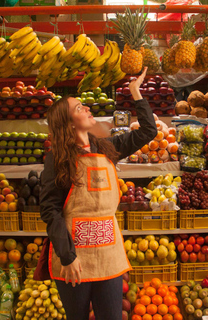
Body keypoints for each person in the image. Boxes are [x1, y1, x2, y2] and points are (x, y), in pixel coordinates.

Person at [40, 68, 157, 320]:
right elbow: (49, 210)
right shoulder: (57, 160)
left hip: (108, 254)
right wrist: (68, 257)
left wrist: (136, 93)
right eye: (80, 108)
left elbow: (149, 132)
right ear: (69, 122)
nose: (87, 109)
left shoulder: (107, 147)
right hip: (74, 257)